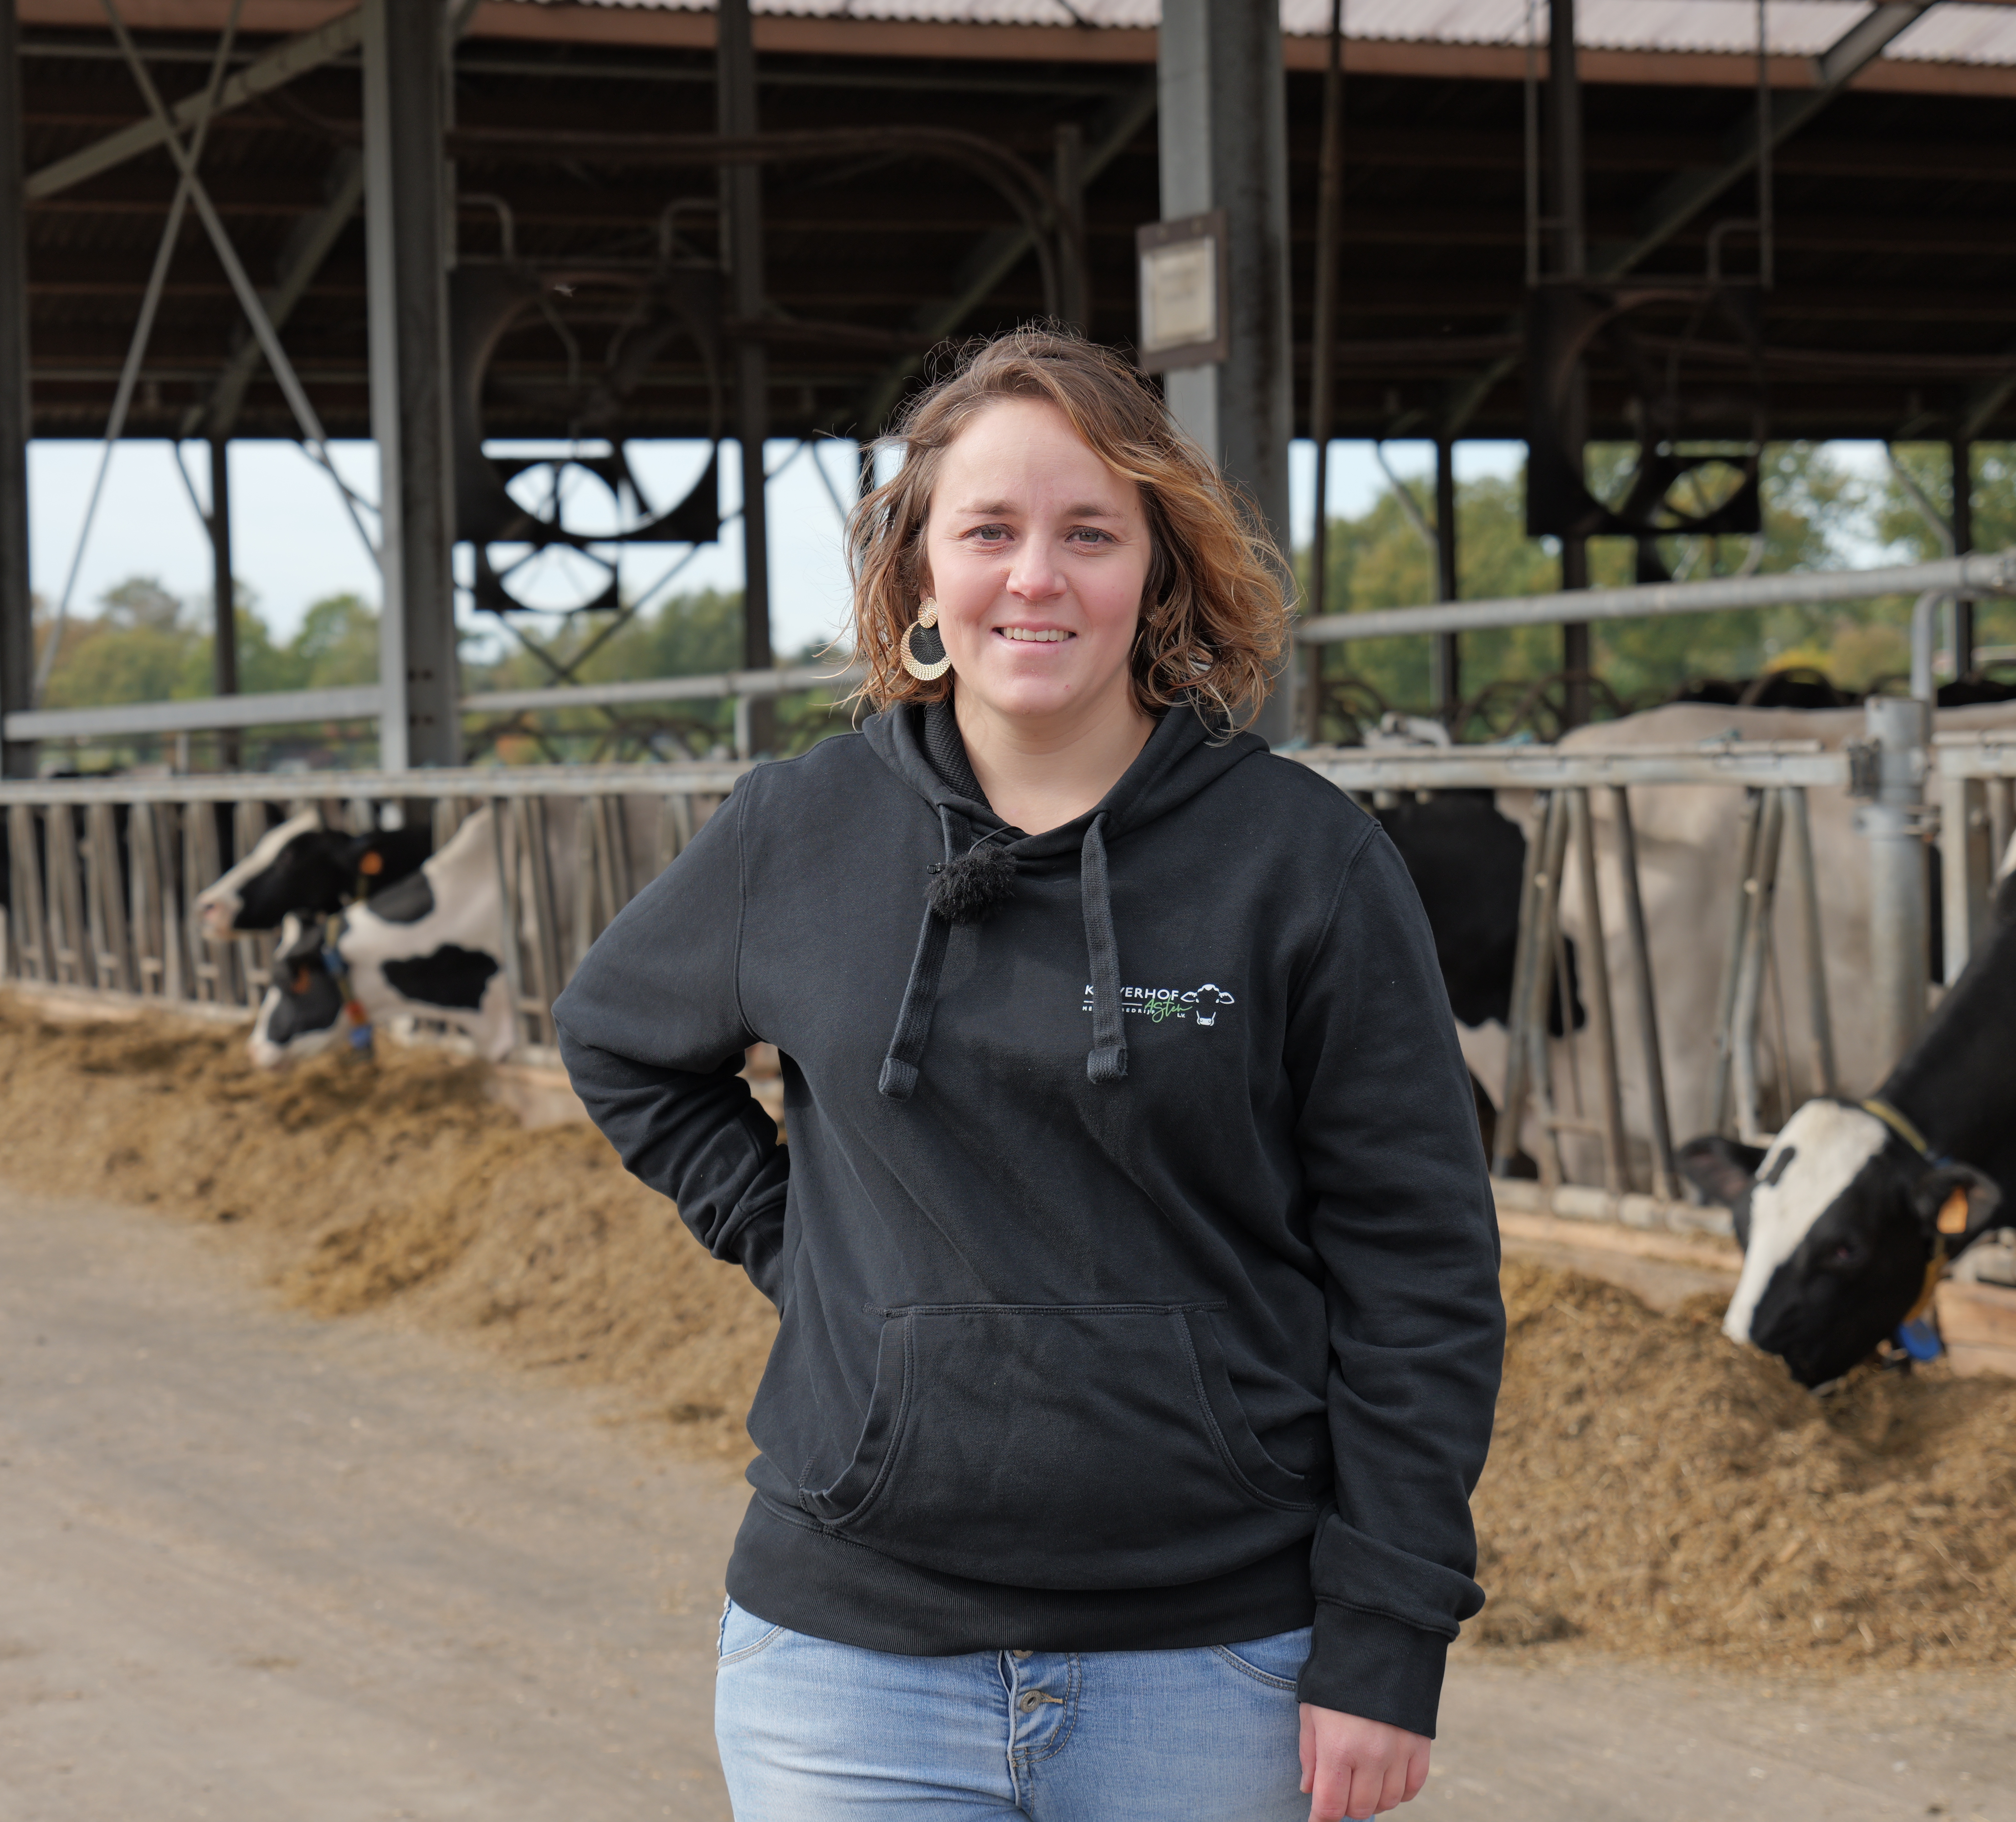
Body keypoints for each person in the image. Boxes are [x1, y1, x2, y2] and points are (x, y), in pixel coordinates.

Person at [552, 328, 1503, 1822]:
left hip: (1214, 1665)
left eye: (1089, 533)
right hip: (848, 1664)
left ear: (1159, 569)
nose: (1036, 578)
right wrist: (795, 1242)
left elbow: (1421, 1271)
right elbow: (615, 1037)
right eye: (987, 531)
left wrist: (1385, 1638)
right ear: (920, 570)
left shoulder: (1304, 864)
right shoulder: (799, 831)